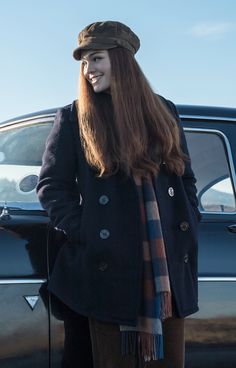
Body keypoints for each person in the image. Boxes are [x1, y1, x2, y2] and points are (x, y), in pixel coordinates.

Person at [37, 20, 201, 368]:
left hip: (166, 269)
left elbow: (185, 177)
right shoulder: (74, 117)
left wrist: (189, 220)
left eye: (96, 58)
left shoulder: (163, 111)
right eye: (84, 62)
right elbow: (52, 186)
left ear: (121, 59)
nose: (88, 70)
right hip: (106, 270)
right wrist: (88, 231)